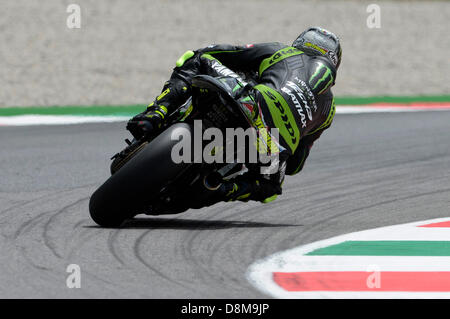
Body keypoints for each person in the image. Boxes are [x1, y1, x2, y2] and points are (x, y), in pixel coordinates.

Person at [127, 26, 342, 208]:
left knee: (195, 58)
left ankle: (156, 113)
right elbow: (295, 165)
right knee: (270, 188)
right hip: (272, 144)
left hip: (252, 100)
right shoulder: (329, 110)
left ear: (300, 42)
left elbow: (220, 52)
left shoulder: (283, 52)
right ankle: (222, 188)